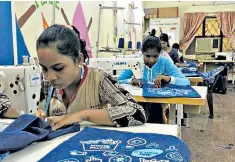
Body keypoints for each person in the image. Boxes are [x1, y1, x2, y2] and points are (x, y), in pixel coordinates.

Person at [35, 24, 146, 130]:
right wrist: (36, 113)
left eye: (58, 68)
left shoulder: (99, 79)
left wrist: (82, 115)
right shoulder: (45, 81)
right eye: (44, 68)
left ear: (79, 60)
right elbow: (26, 108)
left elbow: (137, 112)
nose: (50, 77)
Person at [117, 33, 190, 124]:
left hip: (158, 103)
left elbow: (186, 81)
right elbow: (119, 80)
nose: (151, 60)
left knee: (153, 108)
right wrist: (131, 80)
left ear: (160, 54)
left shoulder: (165, 62)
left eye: (155, 56)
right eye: (147, 56)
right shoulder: (136, 63)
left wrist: (168, 78)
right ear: (142, 53)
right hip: (139, 101)